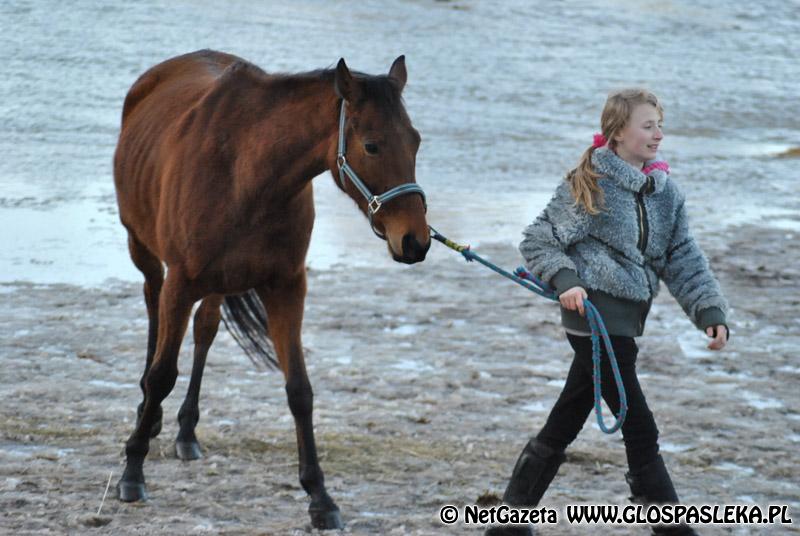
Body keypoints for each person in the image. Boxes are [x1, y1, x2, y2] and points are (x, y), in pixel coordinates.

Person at [487, 89, 729, 536]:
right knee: (640, 428)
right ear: (617, 133)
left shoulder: (665, 194)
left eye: (660, 123)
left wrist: (708, 309)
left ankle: (507, 525)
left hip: (626, 322)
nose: (659, 134)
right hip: (592, 320)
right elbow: (539, 238)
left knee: (566, 419)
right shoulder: (593, 184)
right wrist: (566, 280)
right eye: (648, 125)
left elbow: (682, 256)